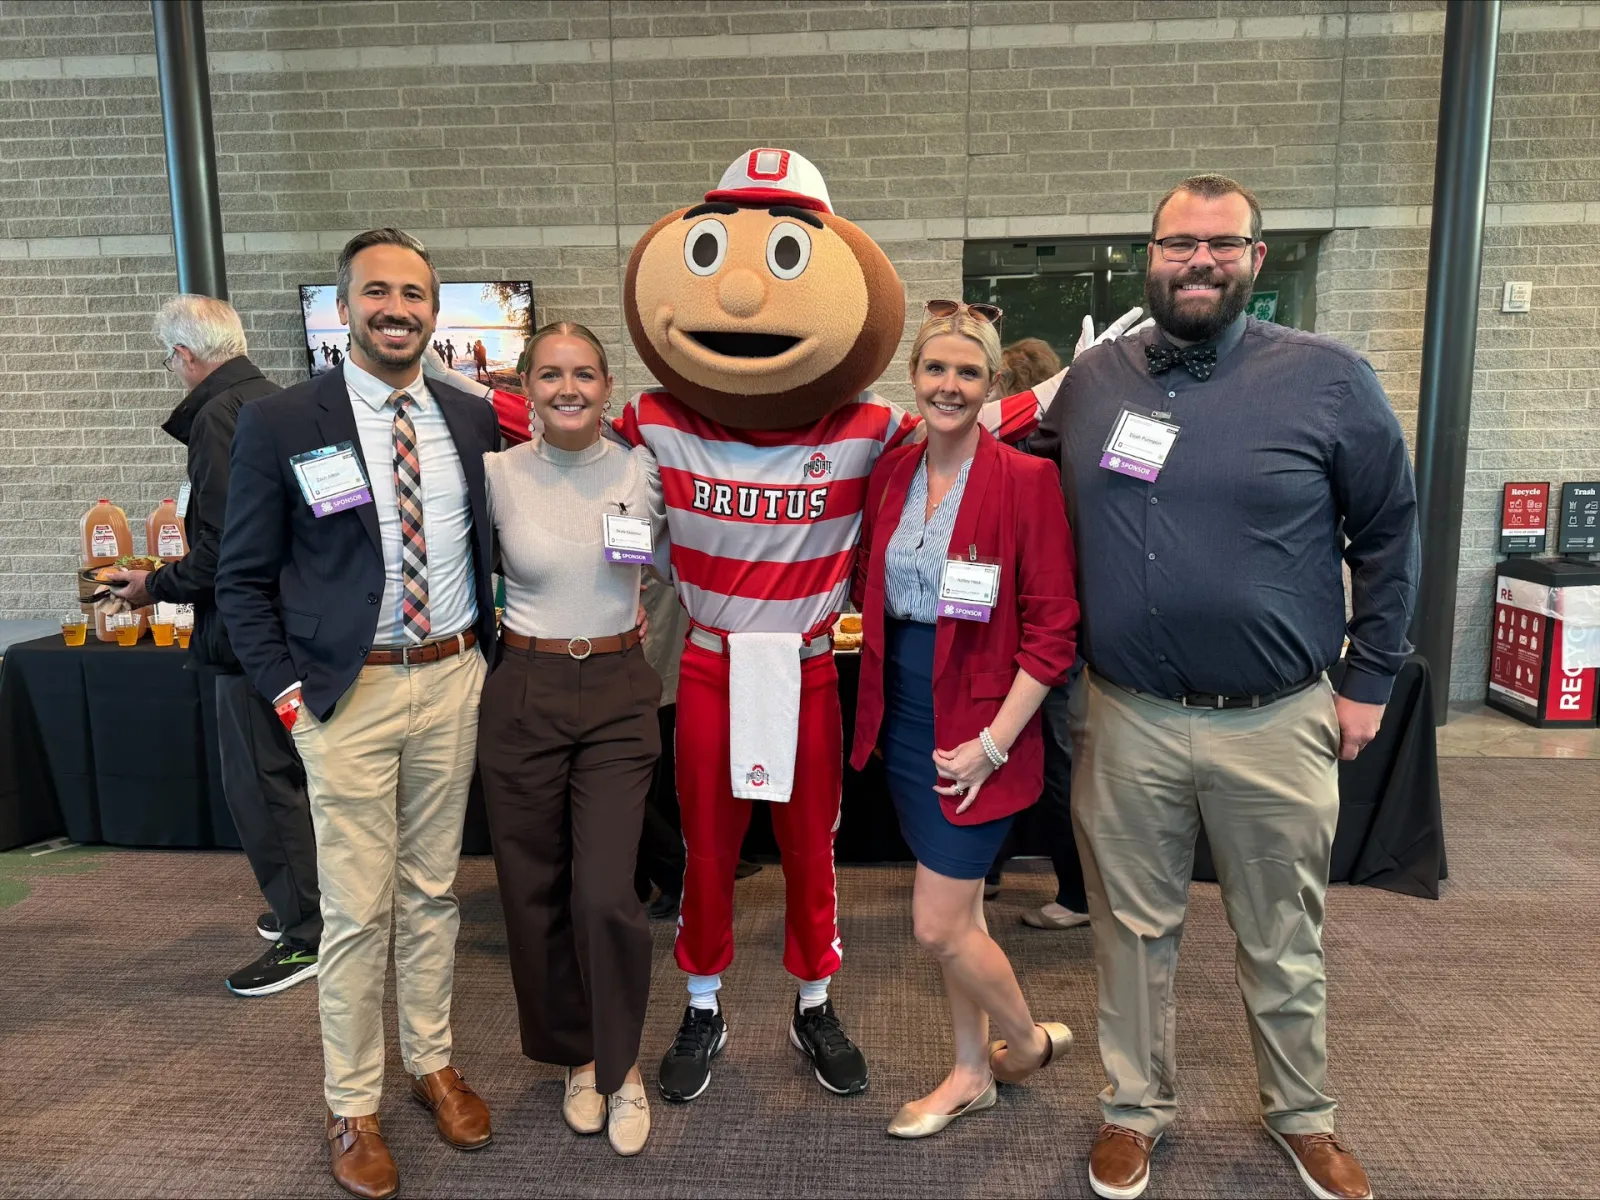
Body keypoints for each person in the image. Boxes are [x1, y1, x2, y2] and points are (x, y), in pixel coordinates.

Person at [1026, 174, 1417, 1200]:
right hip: (1123, 717)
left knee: (1282, 934)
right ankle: (1131, 1109)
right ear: (1147, 255)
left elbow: (1388, 534)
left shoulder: (1327, 378)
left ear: (1253, 256)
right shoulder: (1096, 381)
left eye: (1221, 244)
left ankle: (1301, 1115)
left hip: (1274, 718)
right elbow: (1014, 481)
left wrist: (1369, 677)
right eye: (1176, 243)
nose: (1197, 261)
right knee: (1129, 932)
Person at [216, 227, 501, 1200]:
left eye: (414, 295)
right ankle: (351, 1103)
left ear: (433, 312)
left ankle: (431, 1064)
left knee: (432, 892)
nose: (396, 308)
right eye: (376, 292)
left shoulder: (469, 420)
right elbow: (241, 580)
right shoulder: (284, 422)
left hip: (453, 676)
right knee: (355, 910)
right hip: (350, 695)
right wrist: (291, 695)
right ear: (344, 309)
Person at [851, 303, 1079, 1138]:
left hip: (983, 728)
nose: (950, 386)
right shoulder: (890, 475)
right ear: (913, 379)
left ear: (991, 388)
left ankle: (1022, 1042)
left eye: (968, 374)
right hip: (908, 715)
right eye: (936, 370)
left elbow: (1054, 634)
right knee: (965, 924)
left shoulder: (1026, 481)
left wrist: (992, 743)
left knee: (935, 923)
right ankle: (971, 1071)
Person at [476, 321, 665, 1157]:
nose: (568, 388)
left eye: (583, 373)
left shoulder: (642, 470)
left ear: (606, 383)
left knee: (604, 893)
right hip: (525, 686)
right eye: (550, 374)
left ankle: (623, 1066)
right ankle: (575, 1058)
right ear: (528, 387)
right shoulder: (493, 474)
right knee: (533, 889)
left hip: (620, 692)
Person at [108, 295, 321, 998]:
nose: (171, 368)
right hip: (298, 627)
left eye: (168, 357)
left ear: (186, 356)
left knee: (261, 787)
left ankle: (307, 934)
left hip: (247, 634)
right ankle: (312, 908)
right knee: (293, 779)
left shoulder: (218, 417)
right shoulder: (279, 400)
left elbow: (226, 550)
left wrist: (154, 584)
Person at [635, 570, 691, 920]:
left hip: (652, 633)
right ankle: (641, 875)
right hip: (615, 635)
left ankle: (676, 870)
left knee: (632, 780)